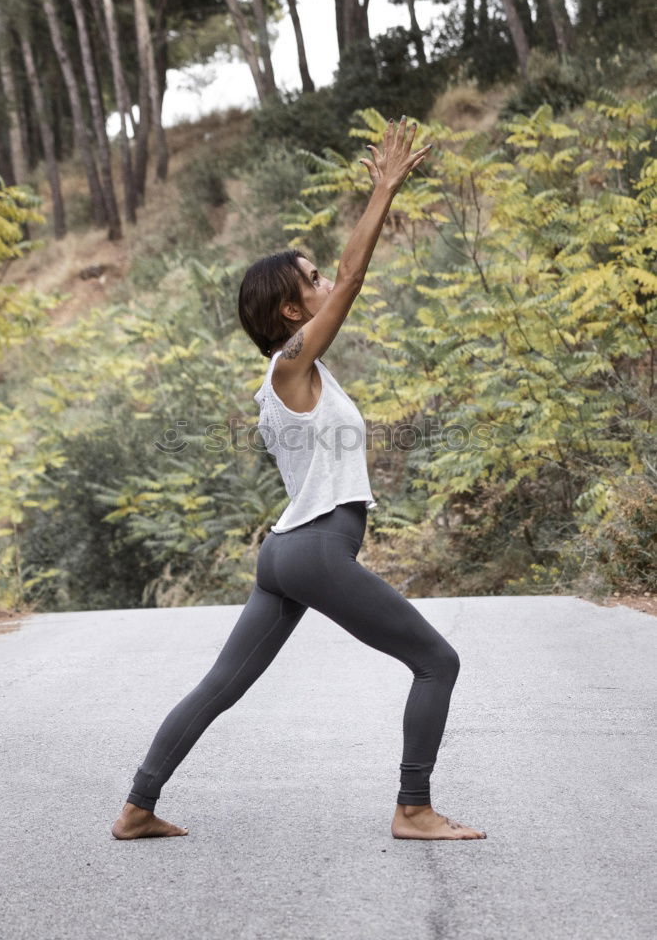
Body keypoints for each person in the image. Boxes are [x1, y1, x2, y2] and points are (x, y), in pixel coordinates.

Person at [111, 116, 486, 842]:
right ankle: (413, 809)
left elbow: (339, 283)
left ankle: (136, 807)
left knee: (221, 686)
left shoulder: (292, 376)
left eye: (317, 275)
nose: (325, 283)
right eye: (310, 281)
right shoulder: (290, 365)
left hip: (286, 553)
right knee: (437, 660)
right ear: (291, 311)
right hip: (315, 549)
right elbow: (353, 276)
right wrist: (382, 191)